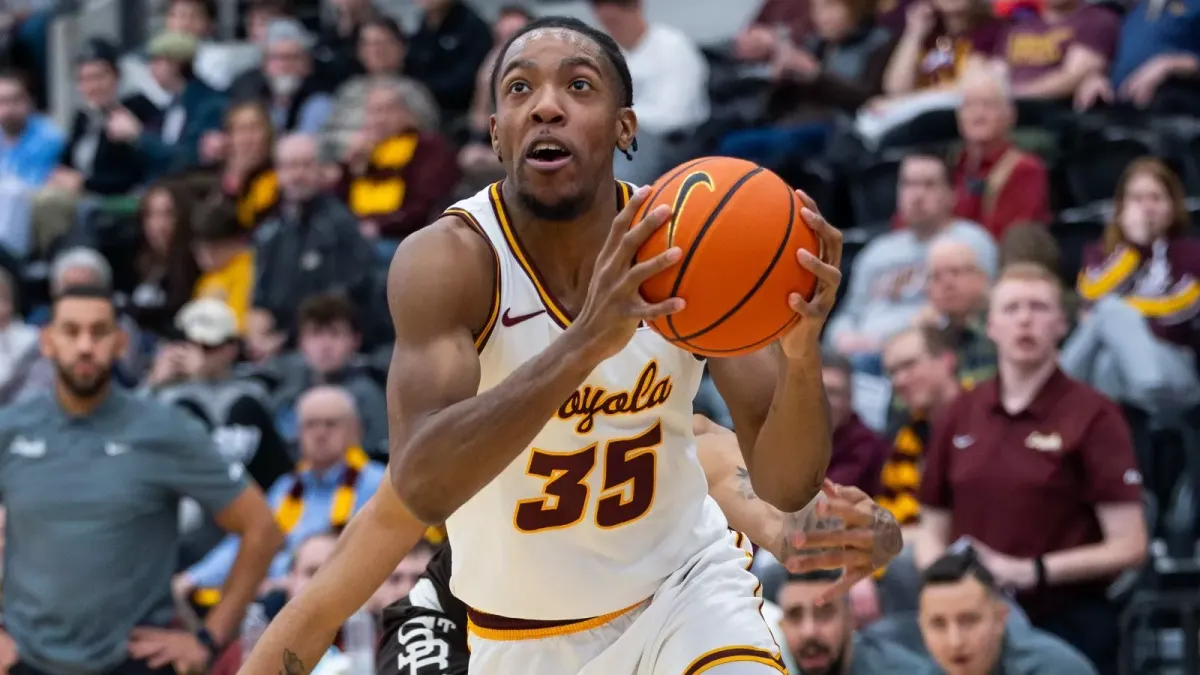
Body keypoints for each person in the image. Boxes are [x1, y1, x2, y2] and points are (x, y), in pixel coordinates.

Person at [385, 14, 873, 675]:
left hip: (685, 593)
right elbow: (423, 487)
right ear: (496, 132)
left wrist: (800, 355)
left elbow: (787, 486)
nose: (547, 106)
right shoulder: (450, 261)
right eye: (520, 88)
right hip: (521, 635)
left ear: (625, 127)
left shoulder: (686, 241)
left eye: (579, 86)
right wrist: (585, 342)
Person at [241, 415, 902, 675]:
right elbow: (321, 604)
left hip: (651, 602)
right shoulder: (466, 438)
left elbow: (772, 514)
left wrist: (841, 532)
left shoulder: (669, 430)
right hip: (472, 616)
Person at [0, 285, 282, 675]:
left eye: (99, 332)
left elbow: (262, 528)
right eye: (71, 331)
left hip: (136, 660)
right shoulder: (11, 428)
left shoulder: (165, 428)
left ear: (121, 342)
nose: (85, 346)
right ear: (47, 341)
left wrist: (208, 639)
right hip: (27, 661)